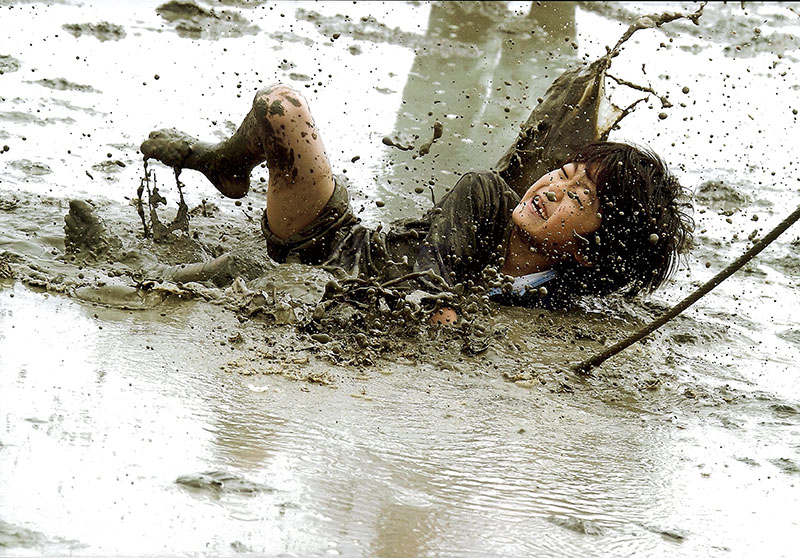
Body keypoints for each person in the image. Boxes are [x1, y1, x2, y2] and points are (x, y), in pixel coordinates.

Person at [140, 84, 693, 324]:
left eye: (579, 196)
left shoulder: (560, 296)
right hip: (331, 245)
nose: (551, 188)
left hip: (350, 293)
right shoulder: (485, 194)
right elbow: (436, 271)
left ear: (588, 253)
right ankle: (225, 163)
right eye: (561, 173)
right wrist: (437, 306)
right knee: (281, 109)